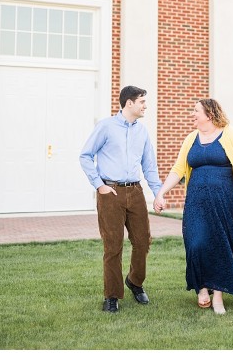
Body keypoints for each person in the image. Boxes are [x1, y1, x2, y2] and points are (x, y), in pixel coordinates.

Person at [154, 98, 233, 314]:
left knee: (220, 246)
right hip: (196, 203)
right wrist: (161, 192)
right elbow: (179, 168)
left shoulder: (231, 134)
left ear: (209, 114)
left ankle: (217, 296)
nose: (192, 114)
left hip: (225, 202)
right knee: (196, 244)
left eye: (196, 111)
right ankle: (202, 288)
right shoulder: (191, 138)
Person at [78, 85, 163, 313]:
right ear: (129, 103)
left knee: (143, 241)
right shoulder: (106, 126)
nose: (145, 106)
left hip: (135, 192)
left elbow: (149, 166)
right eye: (142, 102)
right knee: (113, 246)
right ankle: (112, 296)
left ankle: (135, 282)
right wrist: (99, 185)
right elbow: (85, 156)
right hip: (110, 193)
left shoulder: (142, 131)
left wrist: (158, 193)